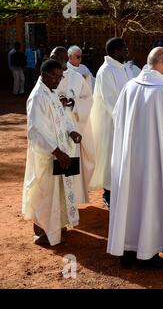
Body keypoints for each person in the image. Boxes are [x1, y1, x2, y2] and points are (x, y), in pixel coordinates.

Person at [108, 47, 163, 269]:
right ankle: (147, 253)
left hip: (128, 160)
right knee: (151, 204)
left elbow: (116, 117)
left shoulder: (129, 87)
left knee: (129, 202)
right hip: (155, 162)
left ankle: (125, 250)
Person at [22, 59, 83, 246]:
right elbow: (35, 130)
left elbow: (62, 116)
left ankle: (57, 226)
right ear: (44, 75)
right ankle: (41, 232)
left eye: (60, 77)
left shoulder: (52, 92)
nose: (58, 80)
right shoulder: (38, 97)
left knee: (59, 191)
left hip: (60, 152)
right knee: (45, 193)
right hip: (47, 155)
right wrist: (56, 151)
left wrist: (71, 130)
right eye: (56, 77)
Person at [89, 37, 134, 207]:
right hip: (112, 123)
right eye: (124, 48)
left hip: (127, 120)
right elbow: (109, 100)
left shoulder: (126, 69)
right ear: (115, 51)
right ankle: (108, 193)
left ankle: (121, 189)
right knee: (111, 156)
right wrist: (124, 118)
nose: (127, 50)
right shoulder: (106, 70)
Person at [51, 47, 95, 205]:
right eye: (53, 57)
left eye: (59, 58)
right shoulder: (46, 76)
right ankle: (57, 201)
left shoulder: (76, 78)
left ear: (66, 59)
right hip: (53, 128)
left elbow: (88, 99)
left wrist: (73, 103)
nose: (56, 60)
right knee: (53, 167)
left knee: (70, 161)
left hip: (72, 126)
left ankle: (70, 200)